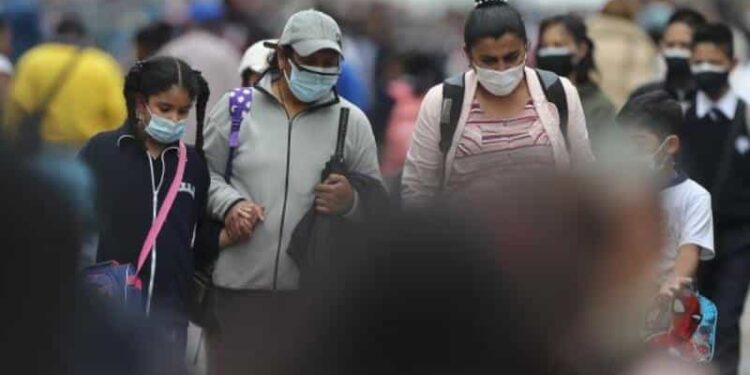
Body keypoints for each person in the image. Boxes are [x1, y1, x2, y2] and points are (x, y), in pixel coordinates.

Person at [202, 9, 381, 375]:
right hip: (236, 292)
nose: (319, 70)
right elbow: (202, 177)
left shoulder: (352, 122)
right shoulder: (236, 110)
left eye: (329, 62)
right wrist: (230, 205)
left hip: (313, 299)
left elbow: (380, 210)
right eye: (310, 60)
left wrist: (351, 202)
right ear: (283, 57)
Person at [78, 57, 225, 374]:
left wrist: (227, 234)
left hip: (169, 322)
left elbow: (194, 238)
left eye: (183, 111)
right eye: (165, 108)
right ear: (141, 103)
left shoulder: (194, 165)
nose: (174, 119)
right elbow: (73, 225)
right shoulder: (103, 151)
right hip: (111, 315)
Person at [401, 0, 594, 208]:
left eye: (511, 57)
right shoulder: (441, 102)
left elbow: (586, 177)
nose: (502, 69)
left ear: (526, 47)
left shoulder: (559, 93)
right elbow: (417, 190)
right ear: (468, 55)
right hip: (468, 238)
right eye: (489, 61)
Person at [678, 23, 750, 375]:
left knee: (726, 316)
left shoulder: (745, 116)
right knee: (687, 322)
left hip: (737, 240)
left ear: (732, 64)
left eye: (714, 62)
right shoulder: (681, 116)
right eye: (699, 61)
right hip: (688, 240)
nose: (705, 69)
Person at [618, 91, 714, 294]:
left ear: (671, 145)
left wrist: (673, 284)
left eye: (638, 144)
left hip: (670, 304)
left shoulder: (695, 197)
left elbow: (689, 252)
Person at [3, 16, 126, 151]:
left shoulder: (33, 59)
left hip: (41, 150)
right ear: (85, 37)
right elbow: (118, 114)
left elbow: (17, 106)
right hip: (89, 151)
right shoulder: (103, 65)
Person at [158, 1, 241, 144]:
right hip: (214, 143)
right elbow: (240, 102)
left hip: (174, 140)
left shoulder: (172, 50)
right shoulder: (227, 53)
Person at [537, 14, 616, 148]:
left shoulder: (599, 108)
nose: (551, 52)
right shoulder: (532, 99)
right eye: (545, 46)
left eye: (558, 45)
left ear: (581, 49)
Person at [630, 8, 707, 109]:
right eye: (670, 45)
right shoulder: (644, 97)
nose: (676, 51)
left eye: (684, 46)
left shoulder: (712, 98)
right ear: (661, 46)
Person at [587, 0, 660, 107]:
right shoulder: (640, 43)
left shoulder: (586, 40)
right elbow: (641, 84)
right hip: (624, 115)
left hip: (590, 111)